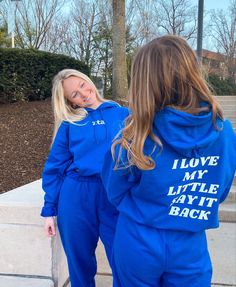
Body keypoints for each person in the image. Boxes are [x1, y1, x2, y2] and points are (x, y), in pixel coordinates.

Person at [102, 35, 236, 287]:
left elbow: (114, 189)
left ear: (142, 81)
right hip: (189, 240)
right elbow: (220, 188)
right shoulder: (223, 131)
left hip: (138, 235)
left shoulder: (135, 133)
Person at [40, 69, 128, 287]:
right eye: (74, 95)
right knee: (79, 263)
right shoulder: (71, 123)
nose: (83, 93)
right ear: (72, 103)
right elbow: (55, 167)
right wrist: (49, 210)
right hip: (76, 196)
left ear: (87, 80)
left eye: (81, 85)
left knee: (124, 260)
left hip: (114, 194)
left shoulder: (124, 114)